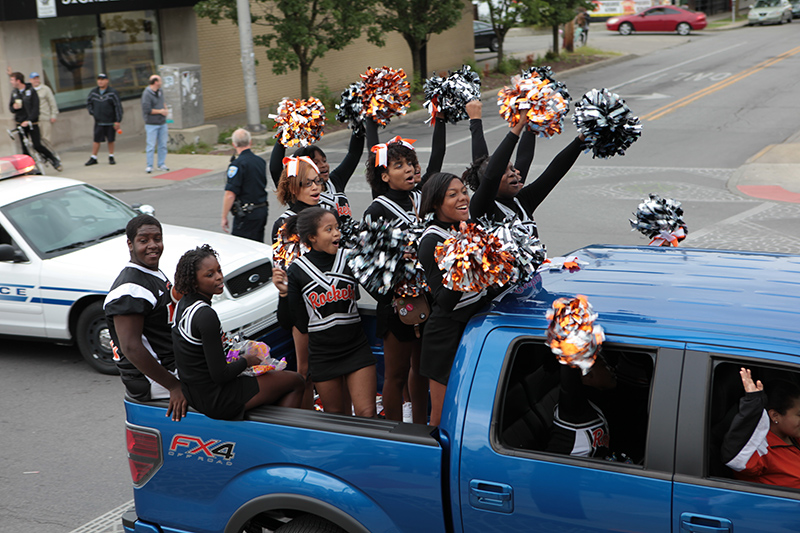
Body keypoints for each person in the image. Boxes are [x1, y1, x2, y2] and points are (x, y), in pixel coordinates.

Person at [418, 116, 528, 425]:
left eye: (463, 191)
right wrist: (466, 263)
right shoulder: (432, 241)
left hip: (477, 326)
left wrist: (498, 272)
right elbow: (446, 300)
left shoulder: (471, 228)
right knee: (442, 417)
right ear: (436, 203)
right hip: (446, 335)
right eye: (452, 195)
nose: (463, 198)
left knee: (474, 414)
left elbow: (490, 176)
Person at [172, 245, 305, 420]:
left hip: (196, 393)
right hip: (217, 398)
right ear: (194, 281)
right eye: (210, 274)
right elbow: (220, 375)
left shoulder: (183, 306)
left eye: (219, 270)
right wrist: (247, 360)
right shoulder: (205, 315)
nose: (219, 277)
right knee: (296, 381)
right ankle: (283, 438)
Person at [274, 208, 377, 417]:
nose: (336, 233)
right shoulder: (297, 270)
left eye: (337, 228)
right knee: (336, 416)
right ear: (312, 237)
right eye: (328, 229)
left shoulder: (349, 258)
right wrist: (284, 296)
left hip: (356, 348)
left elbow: (378, 292)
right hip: (323, 355)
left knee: (367, 414)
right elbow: (292, 323)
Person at [362, 137, 429, 424]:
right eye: (399, 165)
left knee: (422, 368)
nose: (409, 169)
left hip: (427, 300)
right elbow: (364, 268)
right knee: (396, 374)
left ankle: (420, 424)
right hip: (396, 305)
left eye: (411, 163)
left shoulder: (421, 198)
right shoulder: (376, 211)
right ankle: (394, 432)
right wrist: (392, 295)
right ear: (384, 176)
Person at [104, 215, 187, 421]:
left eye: (157, 239)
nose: (153, 245)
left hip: (172, 366)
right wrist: (174, 386)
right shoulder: (130, 290)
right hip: (155, 379)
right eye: (144, 240)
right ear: (130, 244)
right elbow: (131, 347)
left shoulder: (151, 272)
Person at [721, 368, 800, 488]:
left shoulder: (793, 436)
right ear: (775, 416)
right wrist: (752, 405)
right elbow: (735, 458)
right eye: (799, 415)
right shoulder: (759, 449)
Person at [269, 128, 364, 218]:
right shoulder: (298, 191)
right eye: (316, 162)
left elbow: (353, 154)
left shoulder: (335, 181)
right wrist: (285, 133)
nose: (323, 165)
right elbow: (275, 169)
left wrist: (358, 126)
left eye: (324, 160)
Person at [221, 129, 269, 242]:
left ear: (234, 144)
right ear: (250, 142)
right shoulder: (260, 161)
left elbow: (230, 194)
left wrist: (224, 216)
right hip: (261, 209)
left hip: (246, 213)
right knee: (258, 244)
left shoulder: (237, 165)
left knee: (242, 246)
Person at [8, 72, 62, 170]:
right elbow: (11, 108)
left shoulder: (31, 91)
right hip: (20, 123)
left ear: (18, 81)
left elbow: (35, 109)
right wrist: (14, 107)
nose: (11, 82)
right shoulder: (15, 93)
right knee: (25, 148)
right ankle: (29, 168)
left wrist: (29, 120)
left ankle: (53, 160)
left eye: (12, 80)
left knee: (37, 145)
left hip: (32, 123)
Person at [271, 155, 323, 243]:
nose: (315, 187)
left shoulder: (329, 213)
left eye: (317, 181)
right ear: (293, 188)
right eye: (308, 183)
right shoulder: (284, 224)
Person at [86, 73, 122, 166]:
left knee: (110, 139)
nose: (100, 81)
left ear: (107, 81)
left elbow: (118, 106)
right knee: (96, 139)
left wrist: (118, 120)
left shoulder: (112, 92)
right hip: (99, 121)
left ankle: (111, 156)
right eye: (99, 80)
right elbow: (89, 103)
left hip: (110, 120)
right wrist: (93, 112)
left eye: (102, 79)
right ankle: (94, 157)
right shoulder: (94, 92)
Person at [142, 75, 169, 173]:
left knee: (163, 144)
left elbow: (163, 102)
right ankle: (149, 165)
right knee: (151, 145)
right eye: (160, 81)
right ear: (155, 82)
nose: (161, 82)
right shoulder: (146, 94)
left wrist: (165, 110)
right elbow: (147, 110)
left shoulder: (160, 92)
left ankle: (161, 164)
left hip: (162, 122)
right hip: (151, 124)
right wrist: (160, 111)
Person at [29, 72, 58, 144]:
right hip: (34, 119)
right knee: (35, 139)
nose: (36, 80)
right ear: (30, 80)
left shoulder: (45, 89)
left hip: (44, 117)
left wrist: (53, 115)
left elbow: (52, 103)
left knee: (46, 138)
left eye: (37, 78)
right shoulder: (29, 90)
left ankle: (48, 153)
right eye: (34, 79)